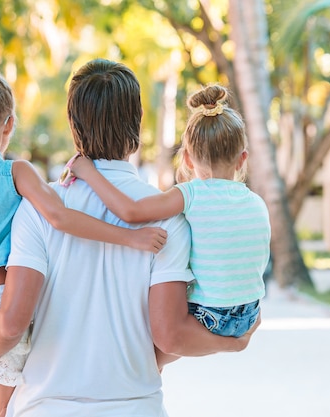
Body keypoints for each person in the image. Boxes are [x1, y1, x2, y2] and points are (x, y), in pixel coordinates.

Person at [0, 59, 261, 416]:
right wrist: (234, 343)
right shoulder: (171, 219)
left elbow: (13, 323)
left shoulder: (37, 209)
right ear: (138, 121)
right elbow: (169, 337)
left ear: (72, 124)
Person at [0, 45, 167, 417]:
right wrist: (130, 236)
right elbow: (61, 218)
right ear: (8, 124)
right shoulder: (17, 174)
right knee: (13, 367)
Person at [71, 84, 270, 341]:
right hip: (250, 314)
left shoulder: (191, 194)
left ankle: (151, 365)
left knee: (155, 326)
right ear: (242, 159)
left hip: (211, 315)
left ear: (187, 159)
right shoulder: (257, 202)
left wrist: (88, 172)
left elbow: (130, 212)